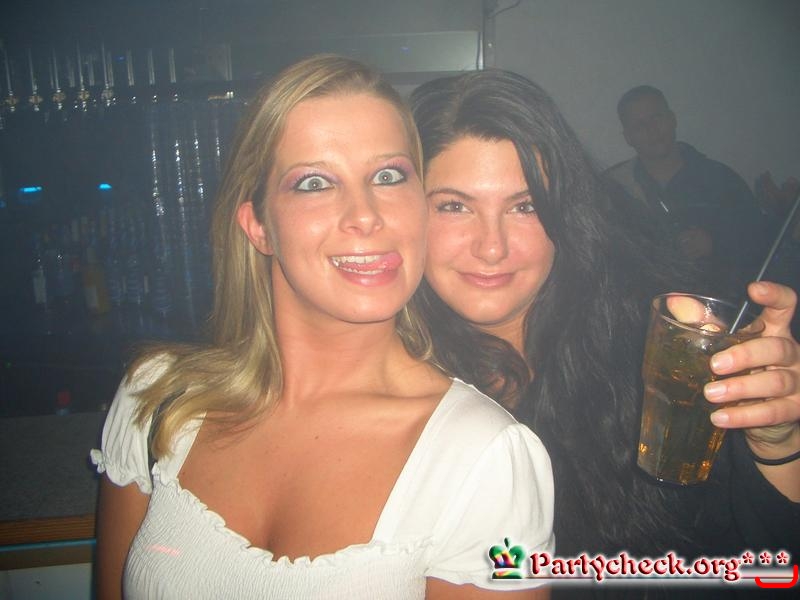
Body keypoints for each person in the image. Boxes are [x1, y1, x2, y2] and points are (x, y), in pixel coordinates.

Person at [90, 56, 555, 600]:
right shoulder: (157, 400)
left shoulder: (484, 458)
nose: (366, 215)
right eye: (314, 183)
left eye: (388, 176)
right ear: (258, 226)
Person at [409, 69, 800, 597]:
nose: (492, 246)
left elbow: (769, 560)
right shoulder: (390, 379)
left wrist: (778, 442)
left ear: (564, 215)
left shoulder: (652, 346)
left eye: (525, 206)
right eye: (454, 206)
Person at [605, 85, 771, 300]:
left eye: (656, 117)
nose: (652, 130)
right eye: (639, 125)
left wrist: (714, 242)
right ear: (628, 137)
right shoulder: (617, 191)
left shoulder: (720, 178)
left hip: (721, 305)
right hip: (650, 310)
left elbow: (761, 241)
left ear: (672, 119)